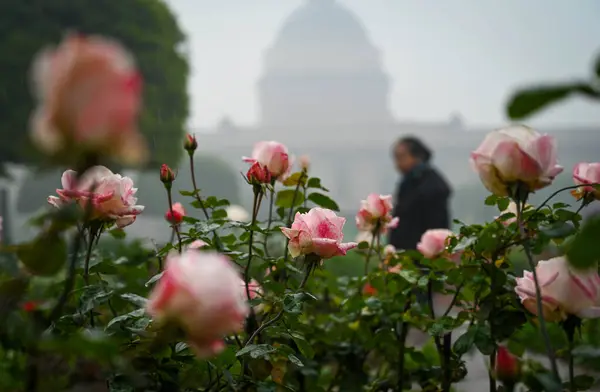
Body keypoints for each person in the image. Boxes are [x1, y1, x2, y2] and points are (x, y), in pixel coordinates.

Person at [388, 136, 452, 251]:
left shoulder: (429, 183)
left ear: (416, 156)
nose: (397, 164)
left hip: (422, 252)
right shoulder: (410, 180)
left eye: (401, 157)